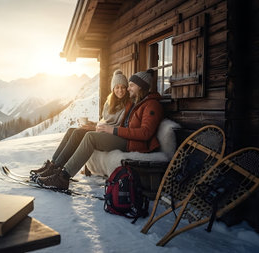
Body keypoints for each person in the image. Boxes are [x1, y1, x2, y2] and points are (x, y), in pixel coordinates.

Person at [34, 69, 164, 190]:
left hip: (132, 143)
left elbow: (145, 133)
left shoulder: (151, 105)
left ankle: (63, 177)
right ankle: (54, 166)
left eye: (130, 85)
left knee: (90, 137)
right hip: (126, 138)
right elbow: (125, 124)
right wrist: (99, 127)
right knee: (76, 132)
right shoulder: (140, 102)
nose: (128, 89)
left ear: (140, 87)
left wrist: (113, 130)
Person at [29, 69, 131, 183]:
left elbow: (116, 126)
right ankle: (53, 166)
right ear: (113, 89)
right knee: (73, 131)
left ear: (127, 88)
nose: (120, 90)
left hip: (117, 136)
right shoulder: (110, 103)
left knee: (88, 135)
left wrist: (94, 128)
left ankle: (63, 177)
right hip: (106, 131)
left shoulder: (129, 104)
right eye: (117, 87)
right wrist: (92, 124)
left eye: (123, 87)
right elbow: (106, 122)